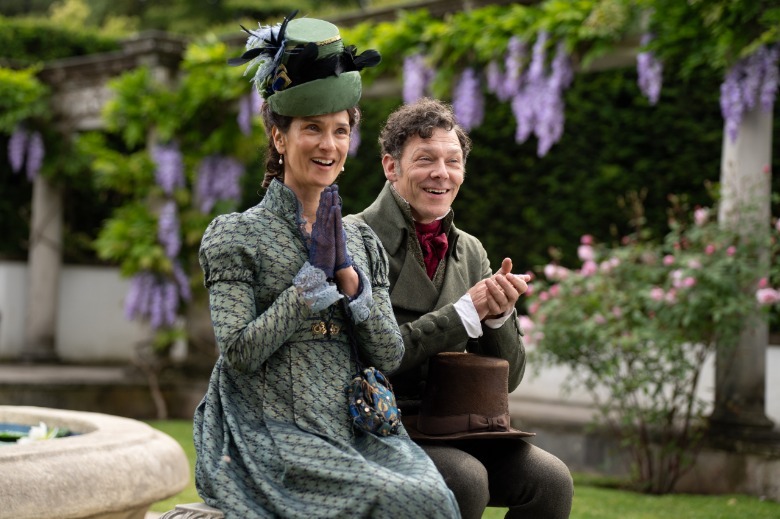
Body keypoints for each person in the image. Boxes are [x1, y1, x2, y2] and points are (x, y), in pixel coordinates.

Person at [194, 15, 460, 518]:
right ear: (279, 138)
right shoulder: (235, 234)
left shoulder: (360, 238)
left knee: (434, 498)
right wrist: (308, 287)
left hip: (357, 425)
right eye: (312, 129)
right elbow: (239, 353)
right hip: (269, 430)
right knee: (398, 500)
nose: (328, 145)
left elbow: (389, 353)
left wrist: (351, 284)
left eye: (340, 131)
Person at [348, 97, 574, 519]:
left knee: (551, 480)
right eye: (426, 159)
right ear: (391, 166)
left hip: (454, 426)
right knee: (465, 479)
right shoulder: (354, 237)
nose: (442, 173)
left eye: (453, 161)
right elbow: (376, 352)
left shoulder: (470, 250)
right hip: (376, 423)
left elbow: (509, 379)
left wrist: (499, 316)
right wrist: (465, 313)